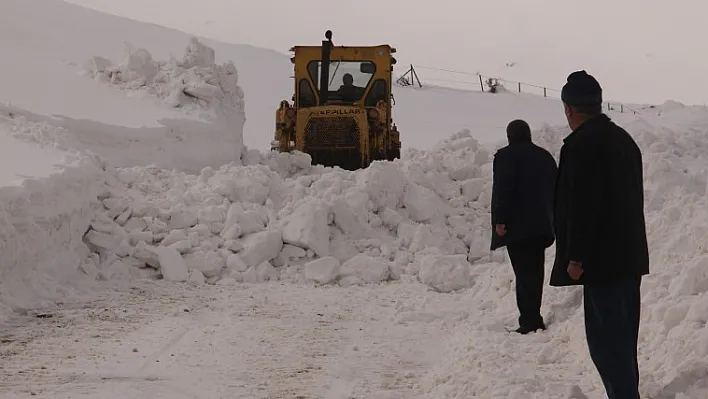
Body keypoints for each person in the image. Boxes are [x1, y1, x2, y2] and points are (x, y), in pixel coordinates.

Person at [551, 70, 649, 399]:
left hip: (601, 262)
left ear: (569, 109)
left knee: (607, 347)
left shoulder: (582, 145)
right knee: (622, 344)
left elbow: (582, 204)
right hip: (628, 258)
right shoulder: (623, 140)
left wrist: (575, 256)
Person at [491, 119, 558, 334]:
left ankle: (528, 321)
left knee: (523, 272)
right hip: (541, 225)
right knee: (535, 272)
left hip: (516, 227)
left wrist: (500, 220)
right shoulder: (545, 157)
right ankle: (534, 316)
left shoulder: (505, 157)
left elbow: (503, 189)